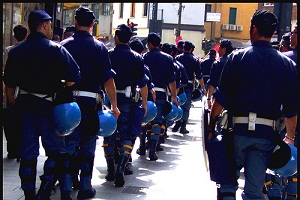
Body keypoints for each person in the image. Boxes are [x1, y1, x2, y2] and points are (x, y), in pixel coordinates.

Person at [208, 10, 297, 200]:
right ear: (273, 33)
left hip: (235, 132)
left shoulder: (236, 58)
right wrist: (290, 137)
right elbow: (290, 109)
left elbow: (220, 100)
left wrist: (210, 125)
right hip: (265, 136)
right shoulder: (287, 65)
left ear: (253, 29)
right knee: (254, 191)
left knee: (227, 184)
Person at [4, 10, 81, 200]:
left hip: (25, 107)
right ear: (45, 25)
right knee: (55, 152)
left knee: (28, 154)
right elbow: (73, 77)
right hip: (49, 107)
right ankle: (46, 186)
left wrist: (13, 101)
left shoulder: (16, 51)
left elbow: (9, 84)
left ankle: (29, 194)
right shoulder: (56, 49)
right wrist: (61, 85)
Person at [60, 7, 120, 199]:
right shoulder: (100, 48)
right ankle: (85, 187)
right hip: (91, 104)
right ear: (92, 25)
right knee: (87, 146)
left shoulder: (64, 45)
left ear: (75, 22)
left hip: (67, 103)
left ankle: (66, 188)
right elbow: (108, 80)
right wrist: (114, 106)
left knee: (68, 146)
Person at [104, 24, 148, 187]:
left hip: (110, 100)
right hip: (129, 101)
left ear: (116, 37)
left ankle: (110, 169)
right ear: (129, 39)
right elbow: (142, 84)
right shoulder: (137, 57)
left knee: (109, 132)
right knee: (127, 135)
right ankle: (121, 167)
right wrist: (144, 103)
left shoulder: (108, 55)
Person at [143, 32, 178, 161]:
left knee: (145, 119)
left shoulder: (144, 57)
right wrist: (174, 96)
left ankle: (142, 146)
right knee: (157, 120)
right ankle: (152, 149)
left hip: (146, 92)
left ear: (150, 44)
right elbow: (172, 80)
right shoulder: (168, 59)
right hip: (162, 93)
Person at [3, 24, 28, 160]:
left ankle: (12, 148)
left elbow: (6, 71)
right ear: (26, 35)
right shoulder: (30, 50)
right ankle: (21, 148)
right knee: (23, 121)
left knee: (10, 120)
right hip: (24, 90)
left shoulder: (9, 50)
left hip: (11, 88)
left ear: (14, 36)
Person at [172, 40, 207, 134]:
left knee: (178, 103)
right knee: (186, 106)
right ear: (191, 49)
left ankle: (177, 122)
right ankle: (183, 125)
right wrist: (203, 88)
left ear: (183, 48)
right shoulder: (194, 59)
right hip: (189, 84)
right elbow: (199, 75)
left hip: (178, 84)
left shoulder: (178, 58)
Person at [206, 39, 233, 110]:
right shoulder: (236, 62)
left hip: (219, 99)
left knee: (215, 119)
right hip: (234, 99)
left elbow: (213, 82)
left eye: (219, 48)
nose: (218, 50)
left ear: (224, 49)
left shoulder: (218, 63)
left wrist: (208, 99)